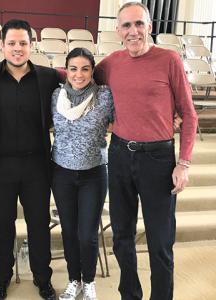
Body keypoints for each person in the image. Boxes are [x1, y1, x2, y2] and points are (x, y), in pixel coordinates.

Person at [94, 2, 197, 300]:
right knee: (122, 238)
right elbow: (79, 75)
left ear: (150, 26)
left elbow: (188, 115)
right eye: (126, 26)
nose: (133, 31)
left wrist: (184, 163)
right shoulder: (111, 63)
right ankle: (130, 295)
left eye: (139, 24)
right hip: (120, 155)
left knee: (160, 242)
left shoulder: (169, 59)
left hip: (158, 159)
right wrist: (32, 69)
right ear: (118, 31)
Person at [0, 19, 62, 300]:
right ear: (2, 46)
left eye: (23, 43)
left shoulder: (48, 77)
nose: (17, 48)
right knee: (2, 224)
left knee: (38, 223)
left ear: (31, 46)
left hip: (36, 164)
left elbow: (82, 77)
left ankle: (42, 277)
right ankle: (2, 277)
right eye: (11, 43)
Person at [51, 48, 113, 300]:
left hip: (93, 173)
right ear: (66, 70)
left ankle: (88, 281)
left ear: (92, 71)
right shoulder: (56, 95)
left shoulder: (105, 96)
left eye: (85, 68)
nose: (79, 74)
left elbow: (131, 114)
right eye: (73, 68)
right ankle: (73, 280)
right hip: (62, 173)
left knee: (86, 234)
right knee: (68, 231)